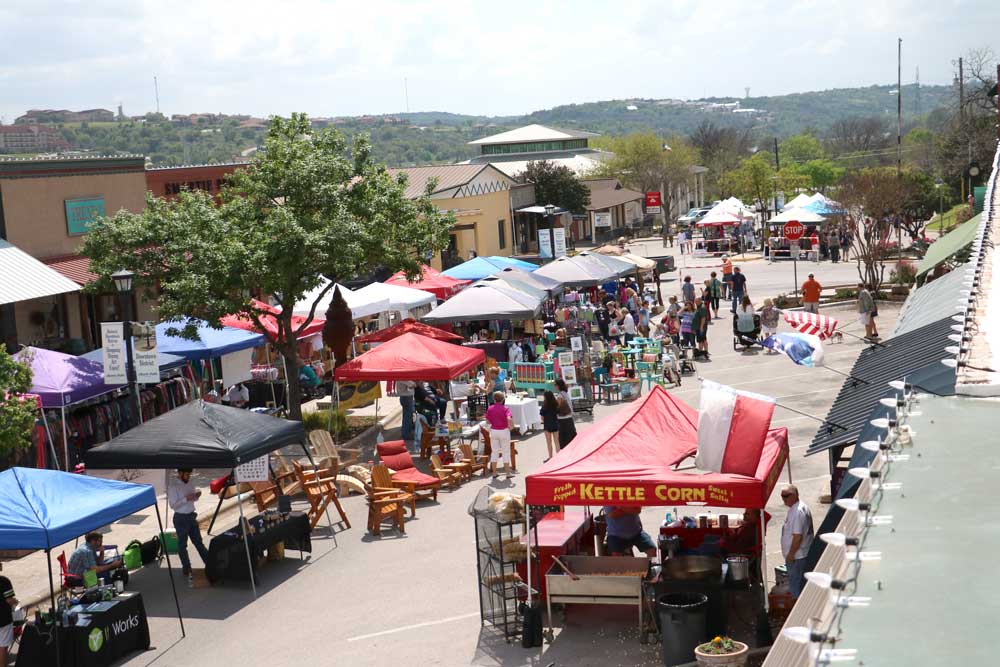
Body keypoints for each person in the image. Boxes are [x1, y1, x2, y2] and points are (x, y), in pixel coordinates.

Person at [168, 468, 211, 586]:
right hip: (180, 518)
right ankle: (186, 567)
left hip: (191, 515)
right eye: (186, 474)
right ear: (180, 474)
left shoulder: (190, 482)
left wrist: (196, 495)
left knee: (198, 542)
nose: (188, 476)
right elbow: (173, 505)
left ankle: (209, 563)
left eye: (189, 474)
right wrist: (186, 498)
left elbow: (193, 499)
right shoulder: (173, 486)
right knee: (182, 544)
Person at [780, 485, 814, 597]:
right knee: (798, 583)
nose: (783, 499)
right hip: (800, 554)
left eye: (786, 496)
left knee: (796, 586)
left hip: (797, 557)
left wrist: (790, 554)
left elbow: (797, 537)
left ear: (795, 495)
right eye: (782, 496)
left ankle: (798, 609)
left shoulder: (797, 512)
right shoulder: (797, 508)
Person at [485, 391, 514, 480]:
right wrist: (511, 426)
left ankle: (494, 473)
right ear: (503, 399)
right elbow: (509, 418)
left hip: (494, 431)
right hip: (504, 431)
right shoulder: (505, 408)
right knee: (506, 451)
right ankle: (508, 473)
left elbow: (487, 421)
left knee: (494, 452)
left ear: (494, 399)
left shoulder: (490, 408)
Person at [0, 565, 17, 666]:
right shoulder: (4, 581)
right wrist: (16, 601)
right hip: (3, 619)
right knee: (2, 647)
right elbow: (9, 600)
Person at [539, 391, 560, 461]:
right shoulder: (556, 404)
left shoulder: (544, 406)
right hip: (555, 424)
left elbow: (542, 418)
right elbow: (558, 414)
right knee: (557, 442)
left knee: (549, 443)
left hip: (547, 425)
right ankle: (559, 457)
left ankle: (551, 458)